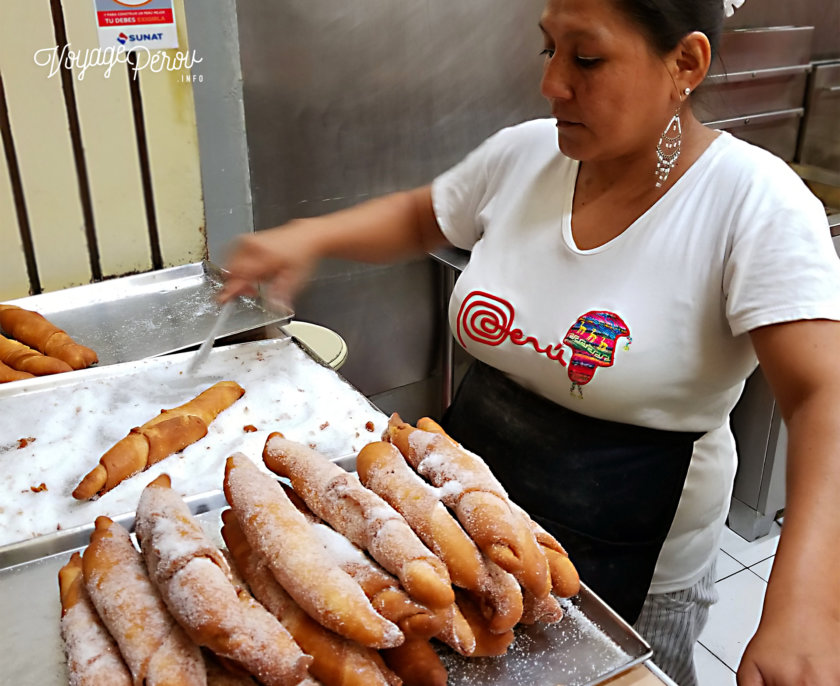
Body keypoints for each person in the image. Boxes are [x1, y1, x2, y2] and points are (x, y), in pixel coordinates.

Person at [221, 0, 840, 683]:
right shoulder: (525, 154)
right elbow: (422, 215)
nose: (551, 84)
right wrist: (309, 237)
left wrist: (809, 604)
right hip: (464, 516)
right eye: (549, 50)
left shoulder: (755, 203)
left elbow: (822, 396)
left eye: (587, 57)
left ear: (685, 63)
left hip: (634, 558)